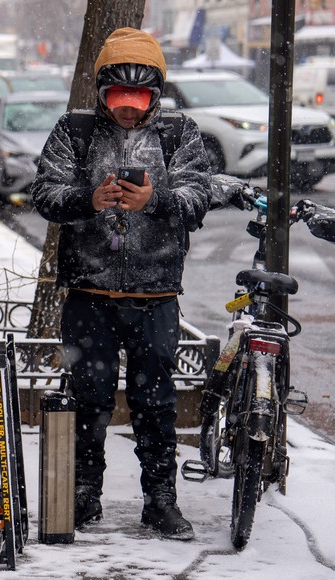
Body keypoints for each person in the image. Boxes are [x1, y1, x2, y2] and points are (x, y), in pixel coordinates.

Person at [29, 28, 211, 541]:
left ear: (156, 96)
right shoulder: (76, 130)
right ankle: (84, 496)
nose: (128, 110)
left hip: (156, 294)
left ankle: (161, 500)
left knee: (156, 403)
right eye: (117, 99)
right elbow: (44, 193)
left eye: (138, 100)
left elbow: (199, 199)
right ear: (102, 93)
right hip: (90, 293)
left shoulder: (179, 134)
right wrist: (90, 199)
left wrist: (154, 201)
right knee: (88, 399)